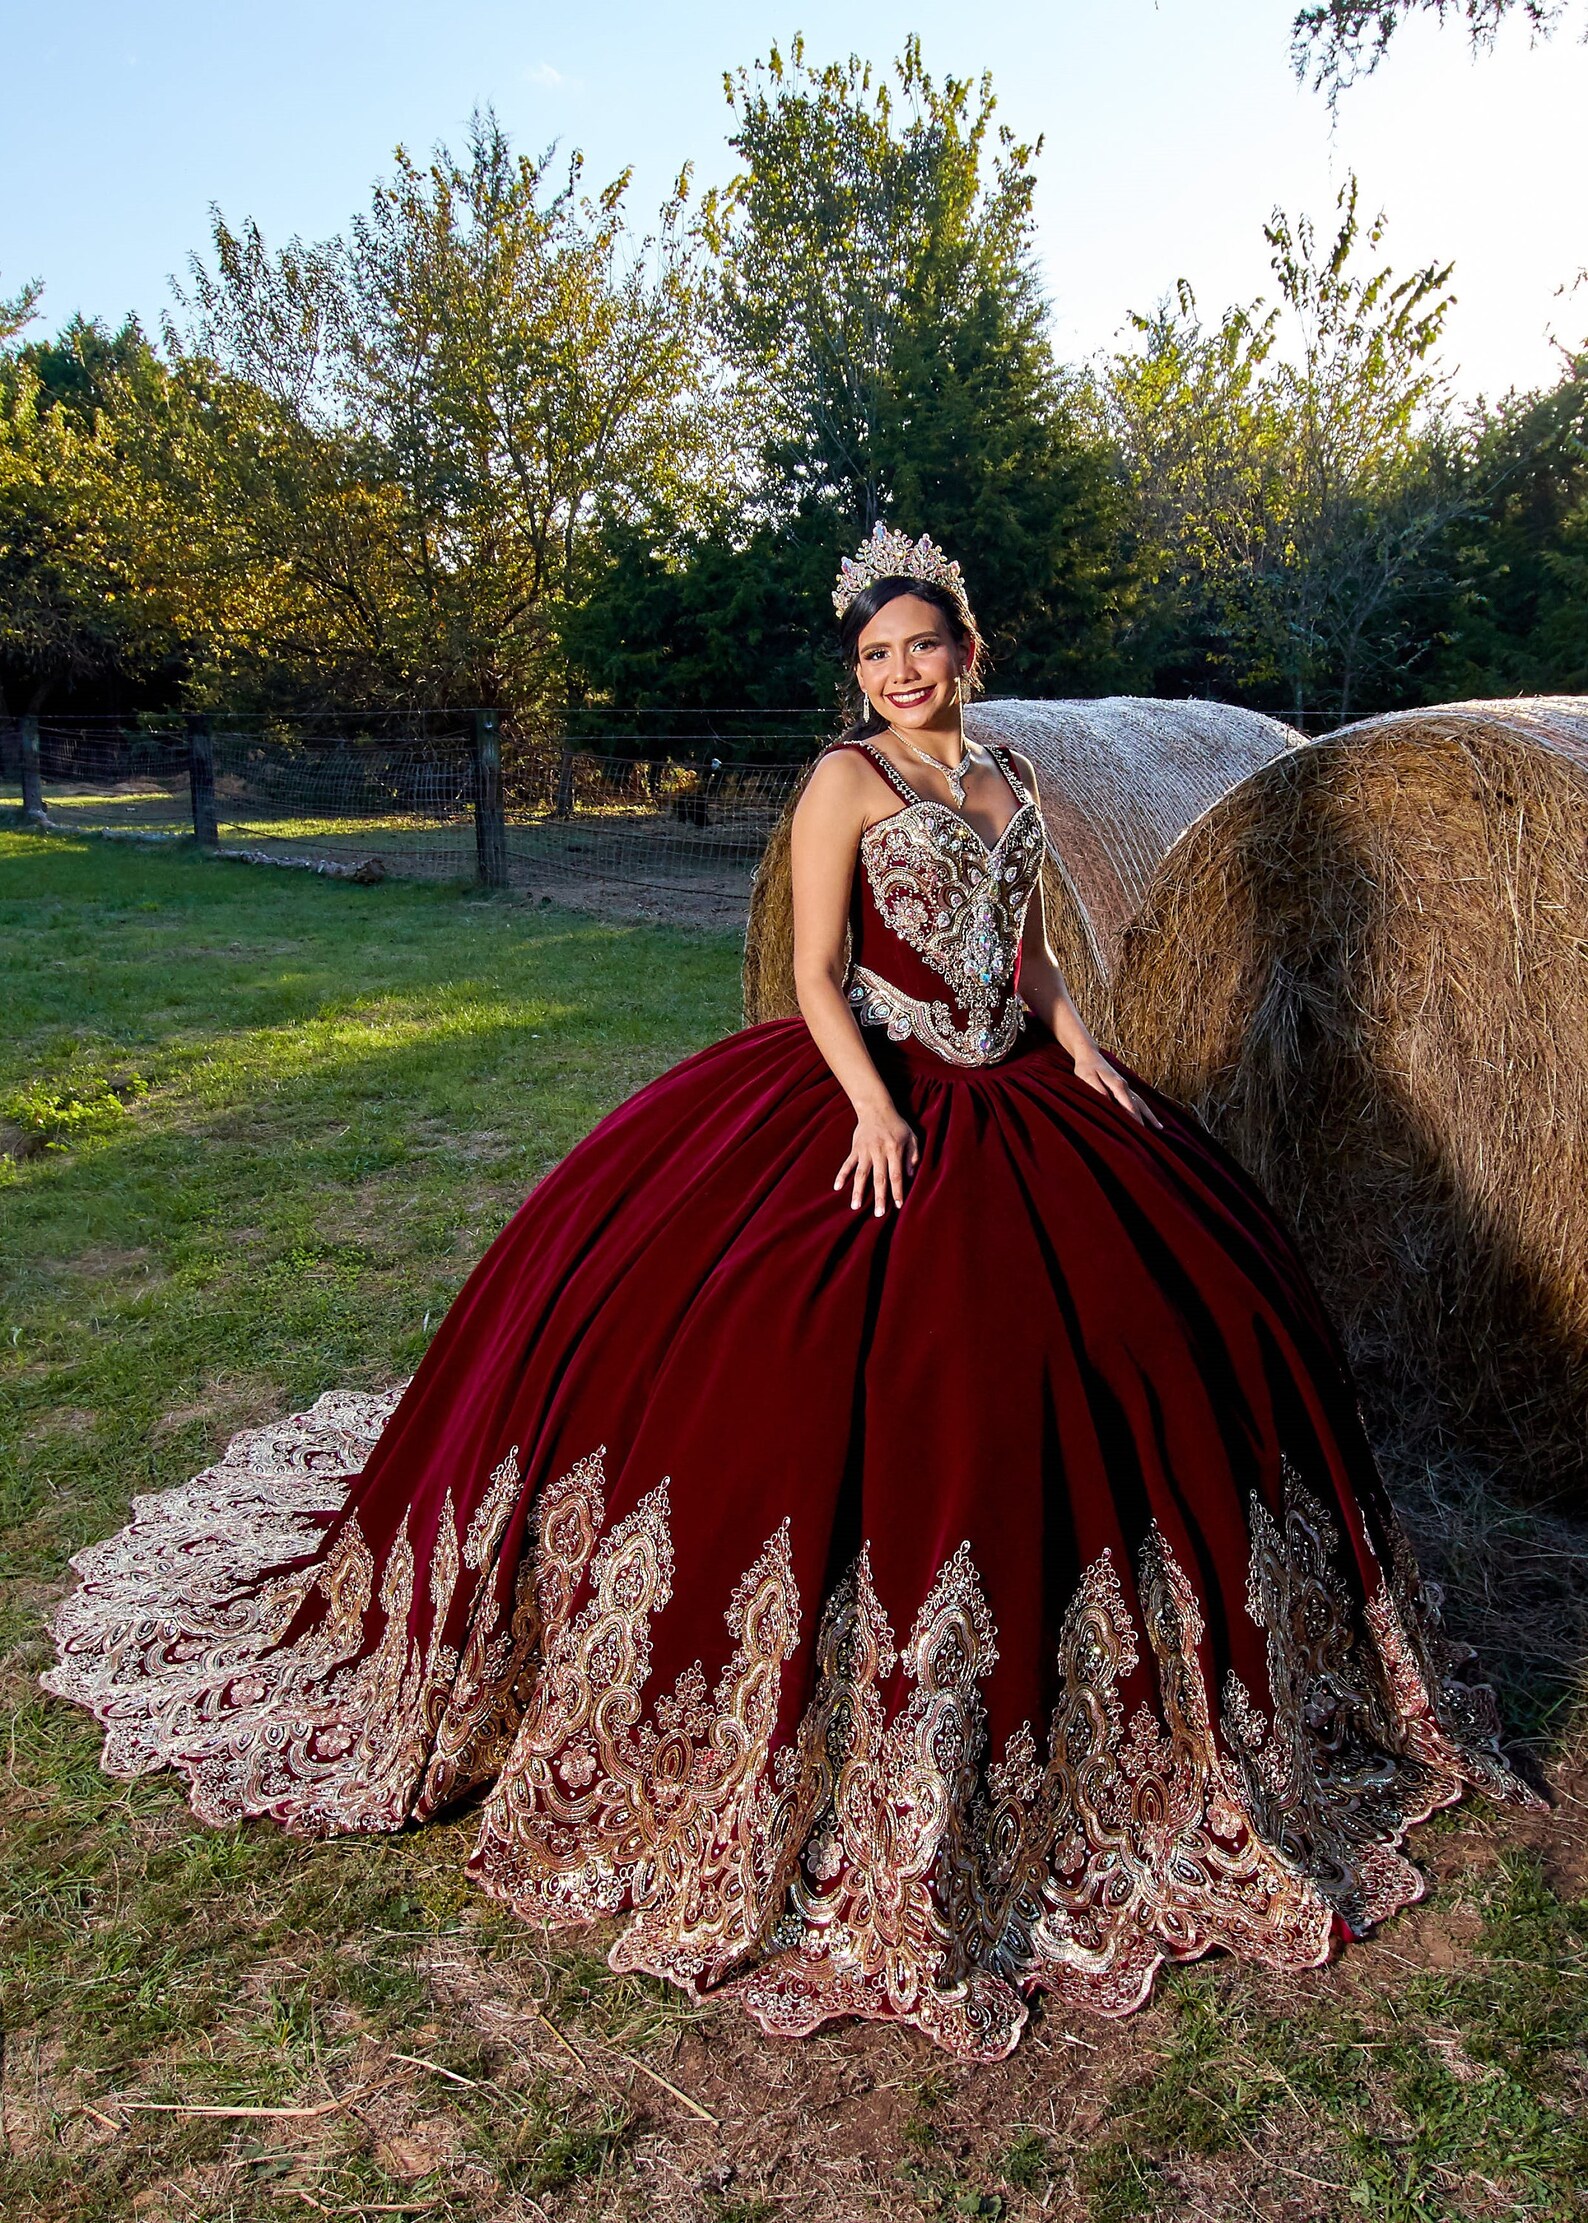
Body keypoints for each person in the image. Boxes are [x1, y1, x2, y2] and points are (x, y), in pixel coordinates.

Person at [44, 524, 1534, 2064]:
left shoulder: (1013, 784)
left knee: (1155, 1321)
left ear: (972, 652)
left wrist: (1084, 1051)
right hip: (874, 1087)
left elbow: (1018, 951)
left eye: (921, 649)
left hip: (1019, 1085)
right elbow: (820, 969)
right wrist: (876, 1109)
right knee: (802, 1366)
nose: (898, 676)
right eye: (875, 658)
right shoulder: (845, 786)